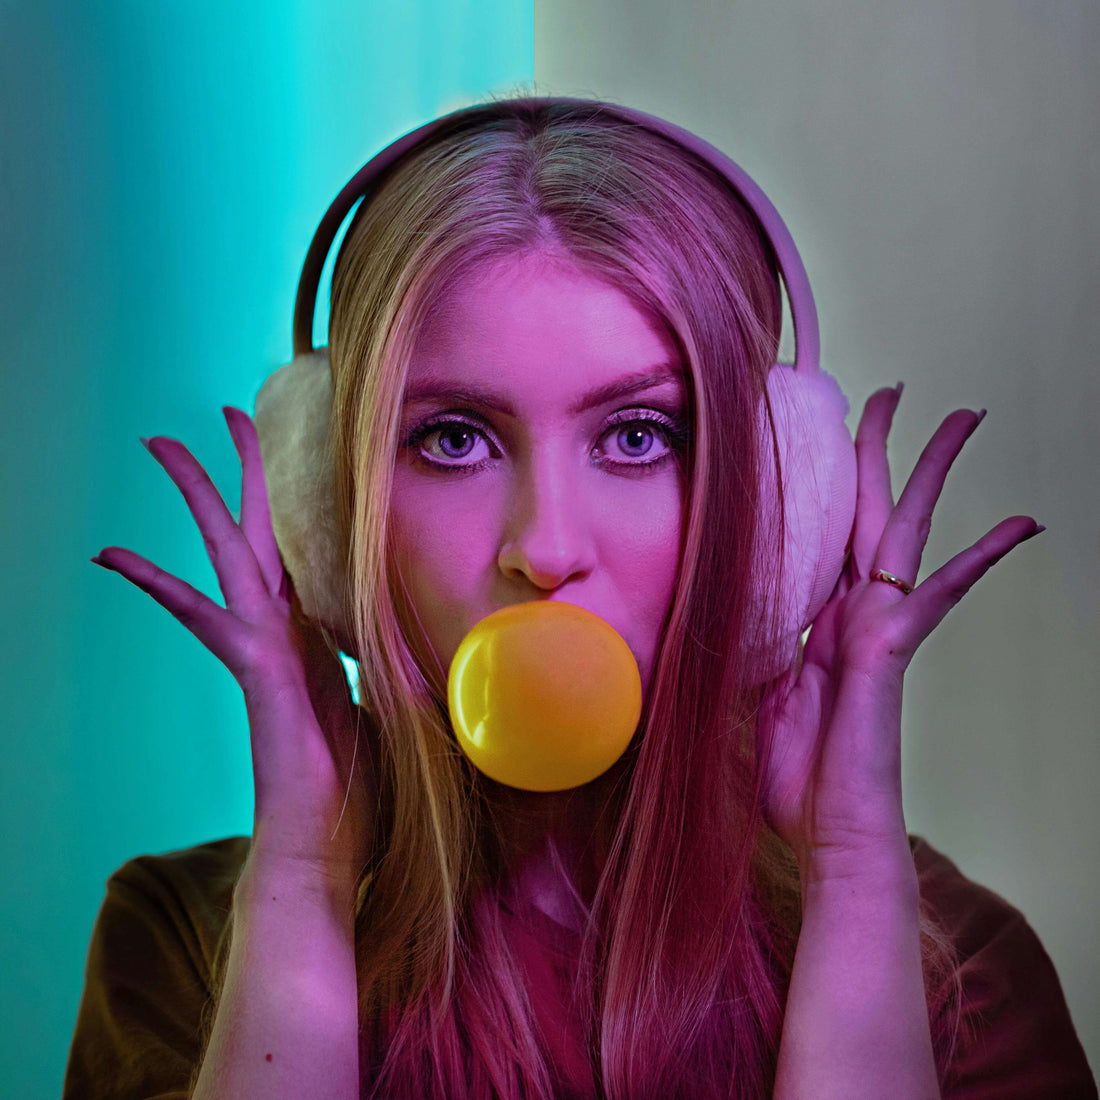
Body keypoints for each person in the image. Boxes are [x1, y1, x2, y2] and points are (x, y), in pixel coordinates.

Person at [64, 97, 1096, 1098]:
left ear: (779, 502)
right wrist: (299, 881)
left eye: (639, 435)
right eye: (452, 438)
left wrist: (853, 881)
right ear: (332, 519)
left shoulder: (956, 971)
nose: (544, 549)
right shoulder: (186, 944)